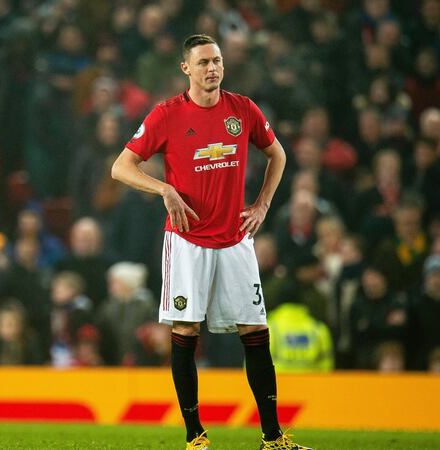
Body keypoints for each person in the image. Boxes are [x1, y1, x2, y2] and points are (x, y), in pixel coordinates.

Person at [111, 34, 310, 450]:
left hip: (236, 240)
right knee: (186, 331)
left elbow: (279, 155)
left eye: (217, 61)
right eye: (203, 62)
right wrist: (164, 190)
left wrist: (262, 205)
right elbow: (121, 167)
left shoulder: (243, 109)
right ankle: (195, 437)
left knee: (255, 330)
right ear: (186, 68)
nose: (212, 68)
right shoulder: (167, 115)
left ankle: (273, 438)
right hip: (188, 242)